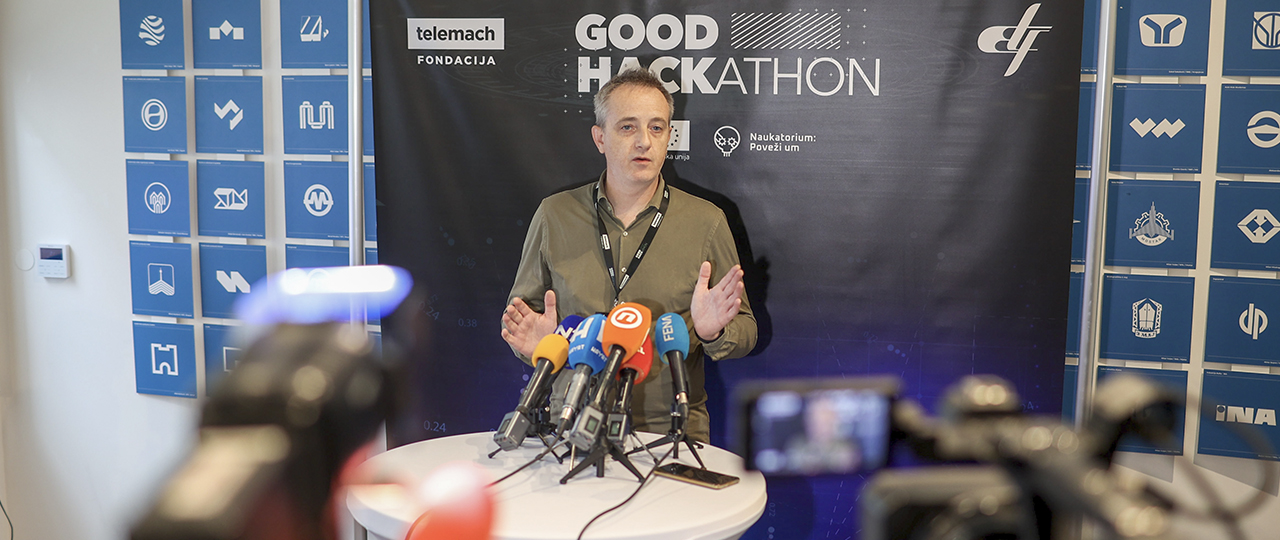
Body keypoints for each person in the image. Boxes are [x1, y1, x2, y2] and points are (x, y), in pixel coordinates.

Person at [501, 68, 757, 443]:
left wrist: (713, 331)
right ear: (600, 138)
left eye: (656, 128)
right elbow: (522, 319)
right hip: (570, 425)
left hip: (670, 432)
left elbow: (746, 330)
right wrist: (538, 345)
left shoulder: (707, 221)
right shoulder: (554, 215)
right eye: (627, 127)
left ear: (669, 136)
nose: (644, 142)